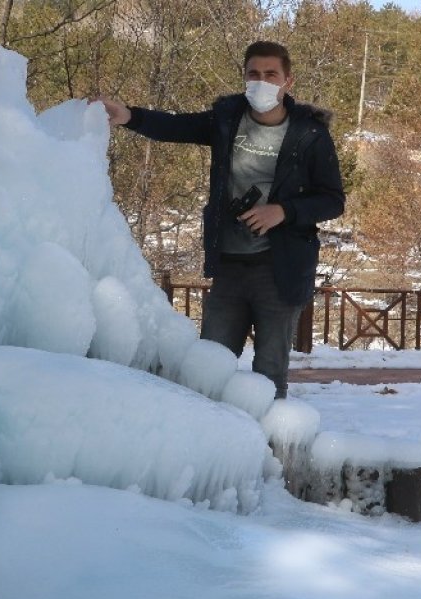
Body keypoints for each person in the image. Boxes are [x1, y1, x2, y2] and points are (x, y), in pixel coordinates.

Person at [99, 41, 345, 398]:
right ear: (244, 77)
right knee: (209, 370)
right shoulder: (227, 120)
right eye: (254, 74)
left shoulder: (310, 134)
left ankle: (266, 448)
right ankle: (213, 447)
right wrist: (129, 116)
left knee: (269, 375)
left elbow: (333, 200)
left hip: (280, 270)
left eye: (271, 74)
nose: (262, 82)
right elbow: (177, 127)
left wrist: (283, 212)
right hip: (228, 265)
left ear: (288, 80)